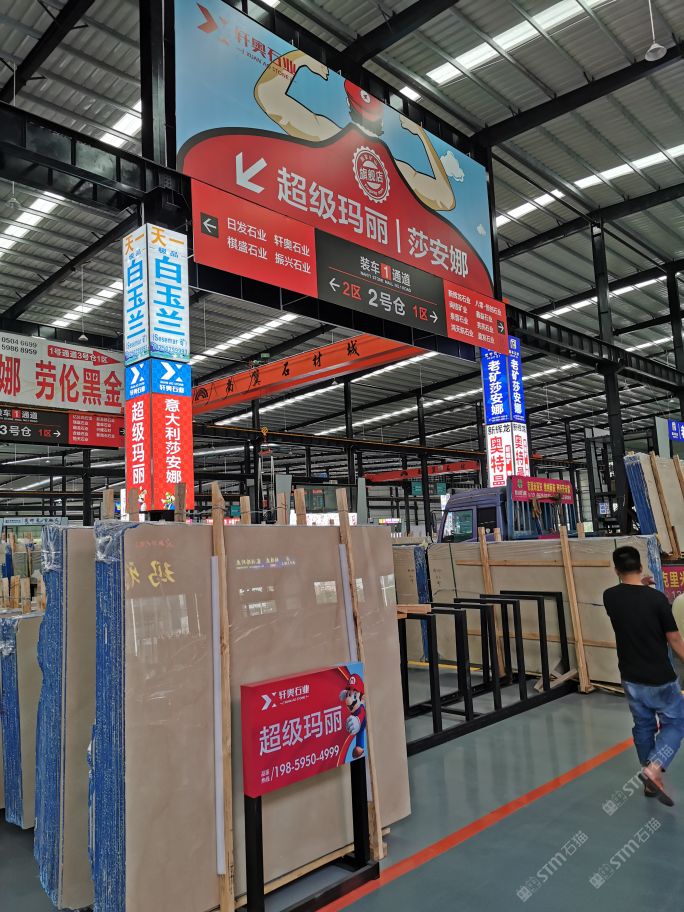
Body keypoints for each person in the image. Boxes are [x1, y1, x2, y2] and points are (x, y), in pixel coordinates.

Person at [254, 50, 456, 212]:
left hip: (328, 220)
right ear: (381, 121)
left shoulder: (328, 133)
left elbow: (268, 95)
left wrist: (300, 59)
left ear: (348, 105)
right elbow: (446, 199)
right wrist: (422, 136)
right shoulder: (399, 169)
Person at [603, 545, 684, 806]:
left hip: (630, 676)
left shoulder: (610, 597)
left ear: (616, 570)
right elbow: (674, 640)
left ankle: (651, 778)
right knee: (676, 723)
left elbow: (629, 600)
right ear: (640, 567)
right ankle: (655, 767)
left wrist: (641, 587)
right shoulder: (657, 600)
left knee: (644, 725)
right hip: (659, 677)